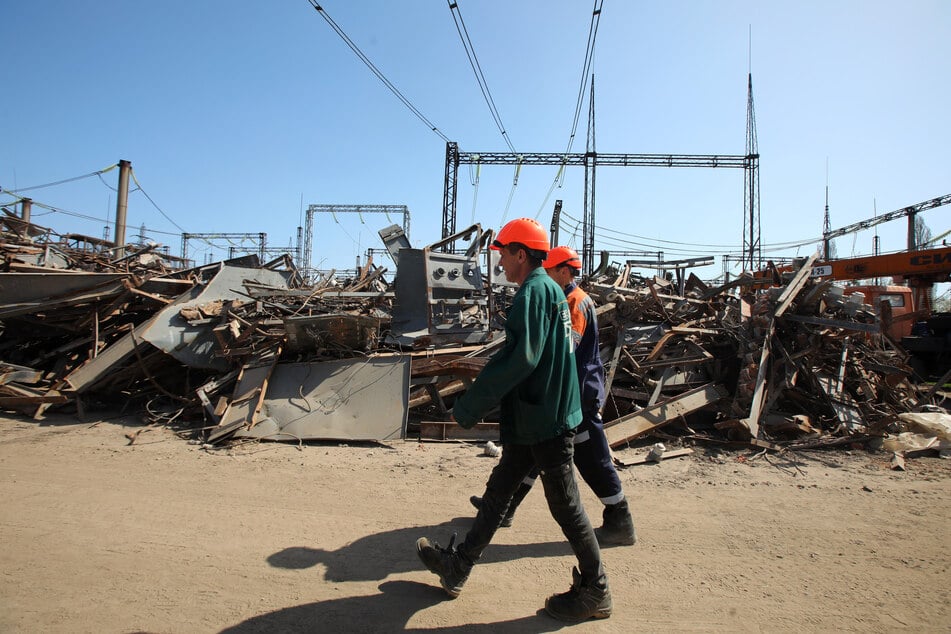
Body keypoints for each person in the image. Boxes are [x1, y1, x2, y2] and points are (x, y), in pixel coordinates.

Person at [415, 218, 612, 622]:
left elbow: (522, 357)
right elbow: (535, 353)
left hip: (546, 417)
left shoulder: (533, 293)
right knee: (499, 492)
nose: (500, 261)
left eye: (504, 253)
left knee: (567, 506)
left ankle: (597, 591)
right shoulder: (548, 290)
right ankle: (459, 566)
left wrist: (470, 406)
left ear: (521, 254)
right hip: (537, 411)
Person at [470, 245, 636, 546]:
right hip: (576, 389)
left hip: (577, 394)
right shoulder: (570, 298)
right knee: (534, 452)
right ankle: (506, 508)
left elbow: (563, 350)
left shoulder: (573, 302)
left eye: (549, 271)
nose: (543, 276)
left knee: (592, 459)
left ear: (563, 271)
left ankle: (619, 517)